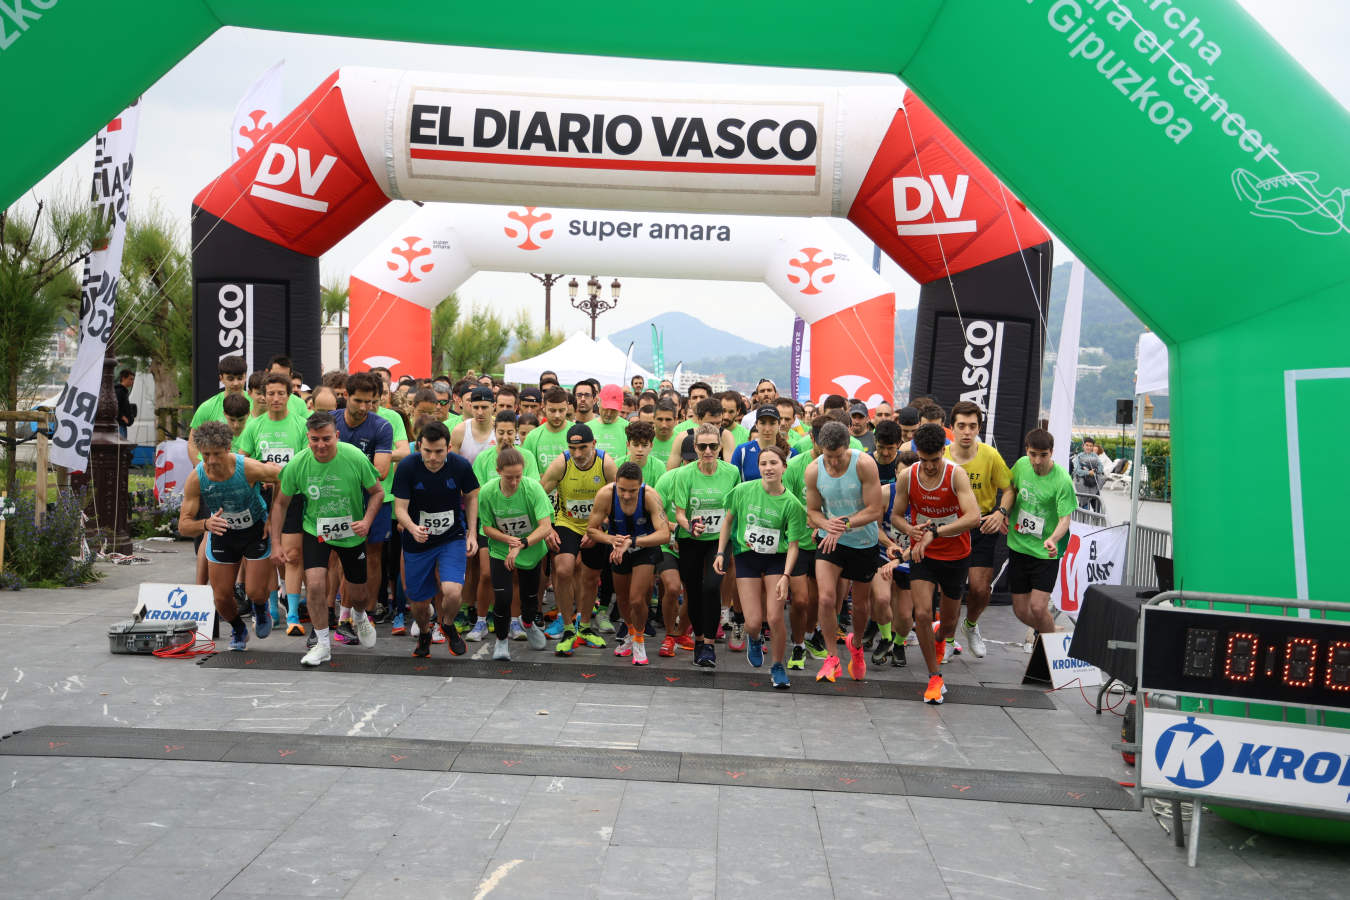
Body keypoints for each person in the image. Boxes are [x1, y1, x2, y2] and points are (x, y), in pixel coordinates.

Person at [272, 412, 384, 667]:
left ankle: (359, 615)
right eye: (314, 440)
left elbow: (377, 492)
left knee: (358, 593)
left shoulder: (354, 457)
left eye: (326, 439)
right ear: (307, 439)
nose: (320, 445)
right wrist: (276, 543)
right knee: (313, 585)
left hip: (351, 532)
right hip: (316, 530)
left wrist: (366, 521)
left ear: (337, 436)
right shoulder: (298, 463)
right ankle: (323, 644)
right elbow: (280, 504)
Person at [893, 423, 982, 703]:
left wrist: (935, 531)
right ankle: (934, 677)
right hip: (924, 555)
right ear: (917, 454)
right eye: (924, 460)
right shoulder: (908, 477)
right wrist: (911, 531)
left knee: (948, 624)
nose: (929, 467)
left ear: (943, 452)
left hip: (956, 555)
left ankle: (941, 635)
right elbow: (896, 515)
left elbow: (973, 517)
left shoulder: (956, 475)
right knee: (920, 614)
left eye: (934, 460)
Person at [177, 422, 281, 650]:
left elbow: (281, 477)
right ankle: (238, 629)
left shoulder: (248, 468)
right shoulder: (197, 478)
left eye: (217, 454)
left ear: (228, 448)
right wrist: (205, 523)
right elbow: (183, 526)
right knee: (221, 598)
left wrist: (273, 518)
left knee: (254, 591)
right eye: (206, 455)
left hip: (255, 530)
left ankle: (261, 608)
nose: (212, 461)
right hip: (223, 533)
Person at [715, 445, 807, 688]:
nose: (768, 468)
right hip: (747, 558)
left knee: (775, 618)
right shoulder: (743, 491)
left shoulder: (793, 504)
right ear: (758, 468)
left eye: (773, 463)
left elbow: (795, 544)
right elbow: (728, 521)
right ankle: (754, 639)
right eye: (763, 463)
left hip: (777, 559)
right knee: (753, 622)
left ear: (784, 467)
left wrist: (787, 576)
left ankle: (777, 666)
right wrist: (721, 552)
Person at [804, 421, 885, 682]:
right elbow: (813, 512)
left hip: (863, 542)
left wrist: (844, 524)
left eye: (839, 457)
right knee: (826, 599)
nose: (835, 462)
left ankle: (857, 645)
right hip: (831, 542)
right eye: (829, 457)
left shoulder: (864, 464)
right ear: (819, 450)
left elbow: (875, 510)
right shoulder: (814, 470)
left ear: (847, 448)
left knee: (861, 607)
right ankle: (832, 657)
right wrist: (825, 524)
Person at [392, 420, 478, 658]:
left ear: (449, 447)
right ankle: (424, 632)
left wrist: (472, 533)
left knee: (452, 591)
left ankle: (447, 624)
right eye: (427, 451)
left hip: (451, 537)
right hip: (418, 541)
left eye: (439, 451)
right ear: (419, 446)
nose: (432, 457)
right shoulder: (408, 466)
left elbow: (472, 496)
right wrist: (411, 527)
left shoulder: (460, 466)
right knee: (419, 604)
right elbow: (400, 508)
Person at [236, 373, 308, 633]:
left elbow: (305, 462)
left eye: (281, 393)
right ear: (262, 396)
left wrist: (279, 475)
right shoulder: (254, 426)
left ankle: (293, 617)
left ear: (289, 396)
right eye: (271, 393)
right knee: (266, 555)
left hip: (292, 496)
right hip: (261, 498)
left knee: (292, 554)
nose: (275, 398)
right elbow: (242, 462)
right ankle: (271, 610)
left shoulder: (301, 424)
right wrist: (261, 472)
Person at [943, 400, 1013, 660]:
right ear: (952, 428)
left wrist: (1001, 512)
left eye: (972, 426)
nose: (966, 431)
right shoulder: (943, 456)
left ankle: (971, 625)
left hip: (982, 525)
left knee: (980, 589)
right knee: (949, 589)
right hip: (951, 526)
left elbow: (1009, 489)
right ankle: (947, 639)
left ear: (979, 428)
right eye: (961, 426)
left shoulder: (989, 455)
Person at [540, 423, 616, 655]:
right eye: (573, 448)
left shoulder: (607, 465)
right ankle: (567, 627)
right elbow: (539, 496)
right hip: (567, 523)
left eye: (583, 447)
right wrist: (547, 528)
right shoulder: (561, 463)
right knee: (563, 570)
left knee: (591, 577)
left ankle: (584, 626)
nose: (578, 454)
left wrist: (599, 529)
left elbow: (619, 501)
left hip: (596, 525)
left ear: (594, 444)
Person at [671, 423, 741, 669]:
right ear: (695, 448)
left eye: (713, 446)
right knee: (693, 590)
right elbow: (679, 514)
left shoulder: (731, 472)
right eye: (702, 446)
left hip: (718, 540)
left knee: (711, 587)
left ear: (720, 447)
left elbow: (733, 510)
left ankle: (709, 645)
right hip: (690, 540)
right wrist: (690, 525)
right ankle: (698, 640)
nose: (708, 451)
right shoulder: (684, 474)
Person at [586, 461, 671, 666]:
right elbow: (591, 529)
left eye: (632, 491)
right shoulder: (606, 494)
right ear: (615, 483)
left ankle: (640, 640)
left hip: (644, 547)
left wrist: (631, 542)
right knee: (622, 599)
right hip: (617, 548)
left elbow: (664, 534)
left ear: (641, 486)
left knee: (636, 599)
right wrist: (611, 540)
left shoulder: (649, 496)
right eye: (622, 490)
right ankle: (631, 633)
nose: (626, 495)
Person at [332, 372, 394, 646]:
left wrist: (340, 471)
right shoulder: (329, 422)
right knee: (337, 558)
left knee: (372, 556)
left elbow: (380, 471)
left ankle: (364, 613)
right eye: (358, 400)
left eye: (370, 402)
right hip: (335, 501)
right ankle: (342, 617)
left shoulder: (382, 427)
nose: (364, 407)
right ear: (345, 395)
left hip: (372, 501)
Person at [479, 446, 553, 660]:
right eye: (509, 477)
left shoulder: (532, 489)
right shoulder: (488, 492)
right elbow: (487, 528)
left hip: (530, 549)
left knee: (530, 599)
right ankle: (502, 641)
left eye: (518, 476)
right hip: (501, 549)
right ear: (498, 471)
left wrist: (521, 543)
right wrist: (507, 540)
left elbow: (545, 526)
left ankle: (528, 623)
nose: (514, 482)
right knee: (502, 597)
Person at [1003, 428, 1076, 636]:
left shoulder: (1062, 480)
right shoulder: (1021, 465)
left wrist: (1053, 539)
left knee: (1037, 607)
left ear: (1051, 452)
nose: (1037, 460)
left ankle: (1046, 650)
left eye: (1043, 455)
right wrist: (1003, 513)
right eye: (1033, 454)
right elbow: (1011, 491)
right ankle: (1049, 629)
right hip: (1018, 546)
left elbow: (1065, 520)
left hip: (1046, 552)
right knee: (1020, 610)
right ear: (1027, 450)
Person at [188, 355, 248, 465]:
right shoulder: (207, 407)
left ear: (245, 377)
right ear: (221, 378)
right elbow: (192, 444)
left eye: (240, 378)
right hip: (214, 470)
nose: (235, 383)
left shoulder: (257, 405)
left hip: (248, 471)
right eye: (230, 379)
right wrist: (204, 472)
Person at [729, 405, 794, 481]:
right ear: (756, 425)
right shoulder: (742, 451)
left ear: (778, 425)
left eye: (772, 423)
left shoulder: (791, 454)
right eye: (762, 423)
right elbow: (733, 483)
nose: (767, 429)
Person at [521, 387, 572, 475]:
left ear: (567, 407)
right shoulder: (533, 436)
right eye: (552, 410)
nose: (557, 415)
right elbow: (525, 472)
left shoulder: (576, 432)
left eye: (561, 410)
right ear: (543, 407)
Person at [451, 386, 497, 463]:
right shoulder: (460, 431)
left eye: (484, 407)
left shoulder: (501, 429)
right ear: (470, 406)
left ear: (494, 406)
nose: (480, 412)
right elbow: (452, 465)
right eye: (476, 407)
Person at [590, 384, 629, 458]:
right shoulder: (587, 428)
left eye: (613, 410)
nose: (609, 413)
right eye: (605, 408)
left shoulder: (629, 428)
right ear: (598, 403)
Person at [1073, 438, 1106, 511]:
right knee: (1084, 506)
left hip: (1094, 484)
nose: (1088, 447)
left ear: (1093, 447)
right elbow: (1077, 470)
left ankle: (1096, 521)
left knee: (1097, 507)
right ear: (1083, 446)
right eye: (1087, 445)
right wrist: (1088, 472)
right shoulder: (1079, 457)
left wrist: (1095, 470)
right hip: (1083, 485)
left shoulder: (1095, 456)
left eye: (1091, 446)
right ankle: (1084, 522)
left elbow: (1101, 468)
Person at [115, 369, 136, 438]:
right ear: (123, 378)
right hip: (119, 426)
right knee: (120, 447)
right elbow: (115, 407)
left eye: (133, 380)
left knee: (121, 447)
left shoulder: (124, 392)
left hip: (122, 426)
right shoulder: (119, 391)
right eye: (130, 379)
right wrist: (123, 418)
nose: (132, 382)